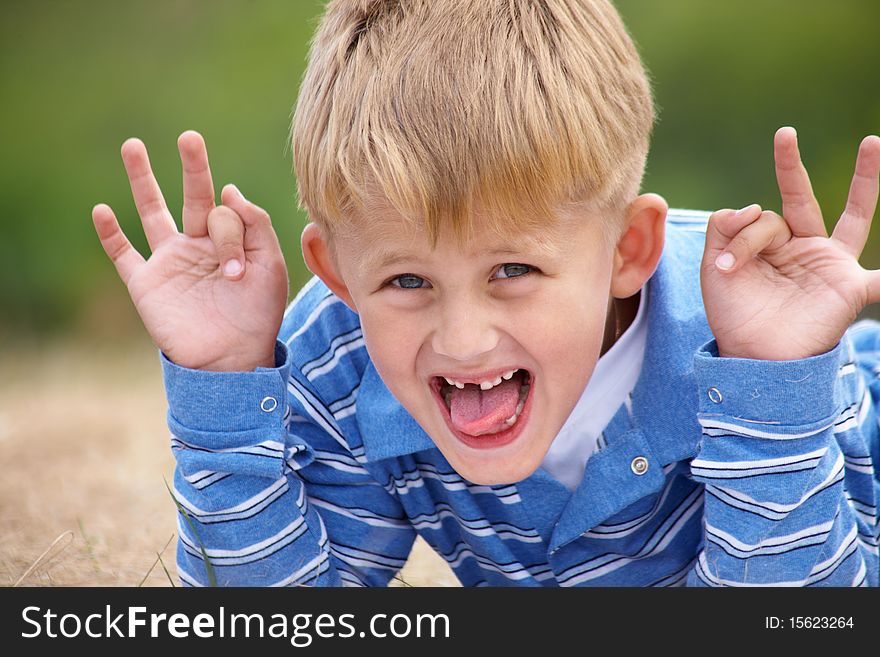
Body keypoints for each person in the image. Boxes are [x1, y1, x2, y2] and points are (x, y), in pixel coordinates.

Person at [91, 0, 880, 586]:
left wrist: (776, 388)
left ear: (626, 249)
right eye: (406, 281)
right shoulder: (340, 358)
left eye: (513, 271)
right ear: (337, 275)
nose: (463, 338)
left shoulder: (761, 333)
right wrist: (224, 384)